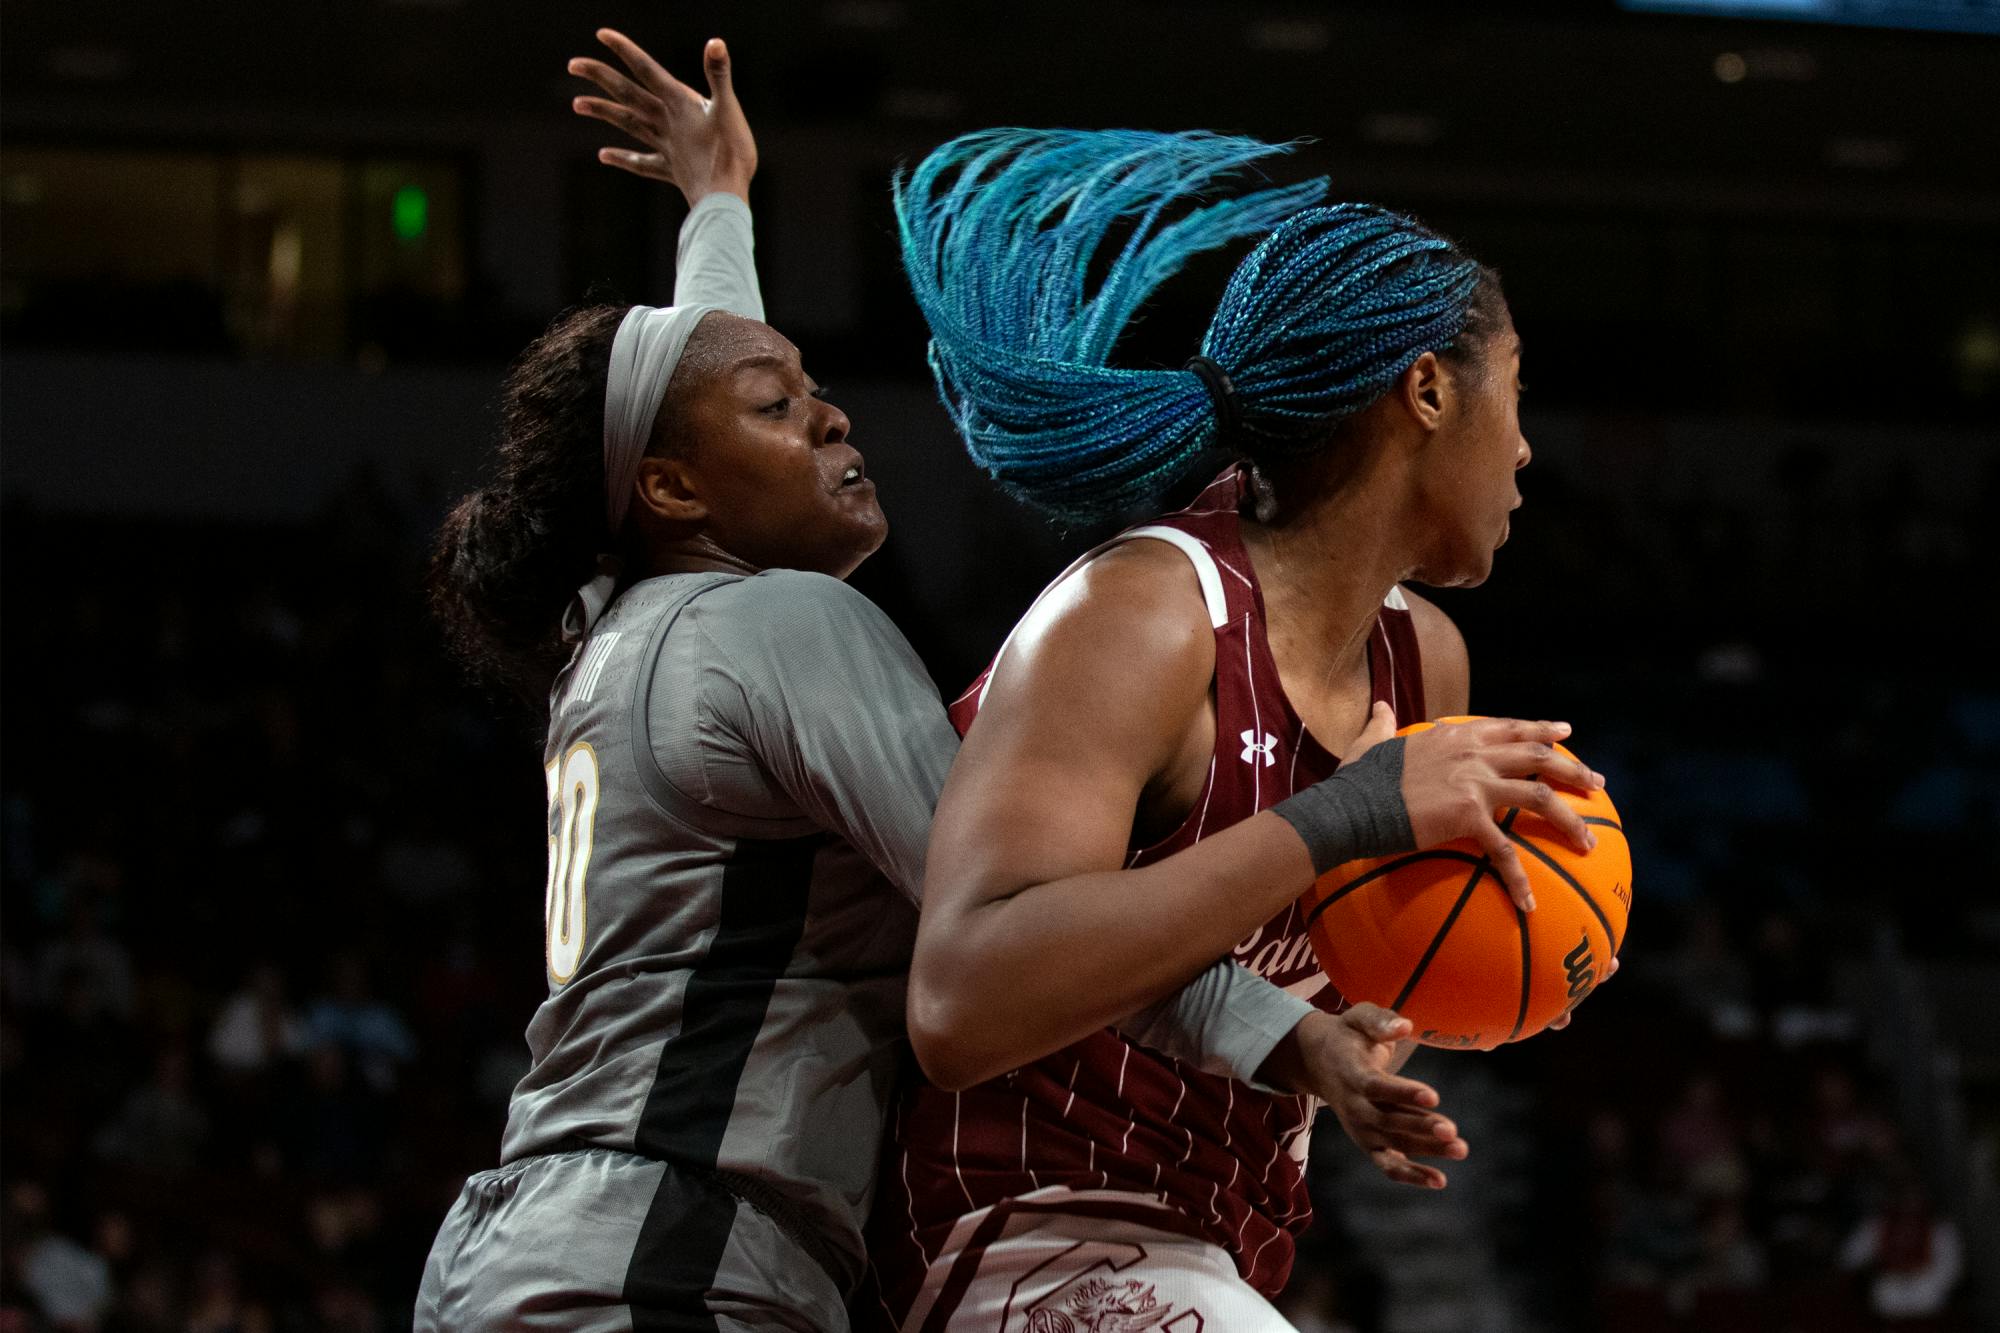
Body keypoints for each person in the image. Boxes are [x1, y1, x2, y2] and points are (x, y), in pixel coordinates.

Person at [414, 33, 1525, 1332]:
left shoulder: (627, 623)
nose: (830, 417)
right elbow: (1004, 926)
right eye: (777, 410)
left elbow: (686, 391)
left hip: (562, 1228)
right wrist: (1298, 988)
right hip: (675, 1245)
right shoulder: (784, 623)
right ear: (671, 489)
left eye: (813, 389)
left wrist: (718, 202)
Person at [868, 129, 1607, 1330]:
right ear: (1426, 391)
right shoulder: (1141, 616)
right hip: (1010, 1226)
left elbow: (1338, 959)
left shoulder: (1422, 659)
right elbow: (960, 1002)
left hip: (1219, 1240)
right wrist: (1342, 814)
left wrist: (1503, 961)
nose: (1524, 446)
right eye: (1515, 387)